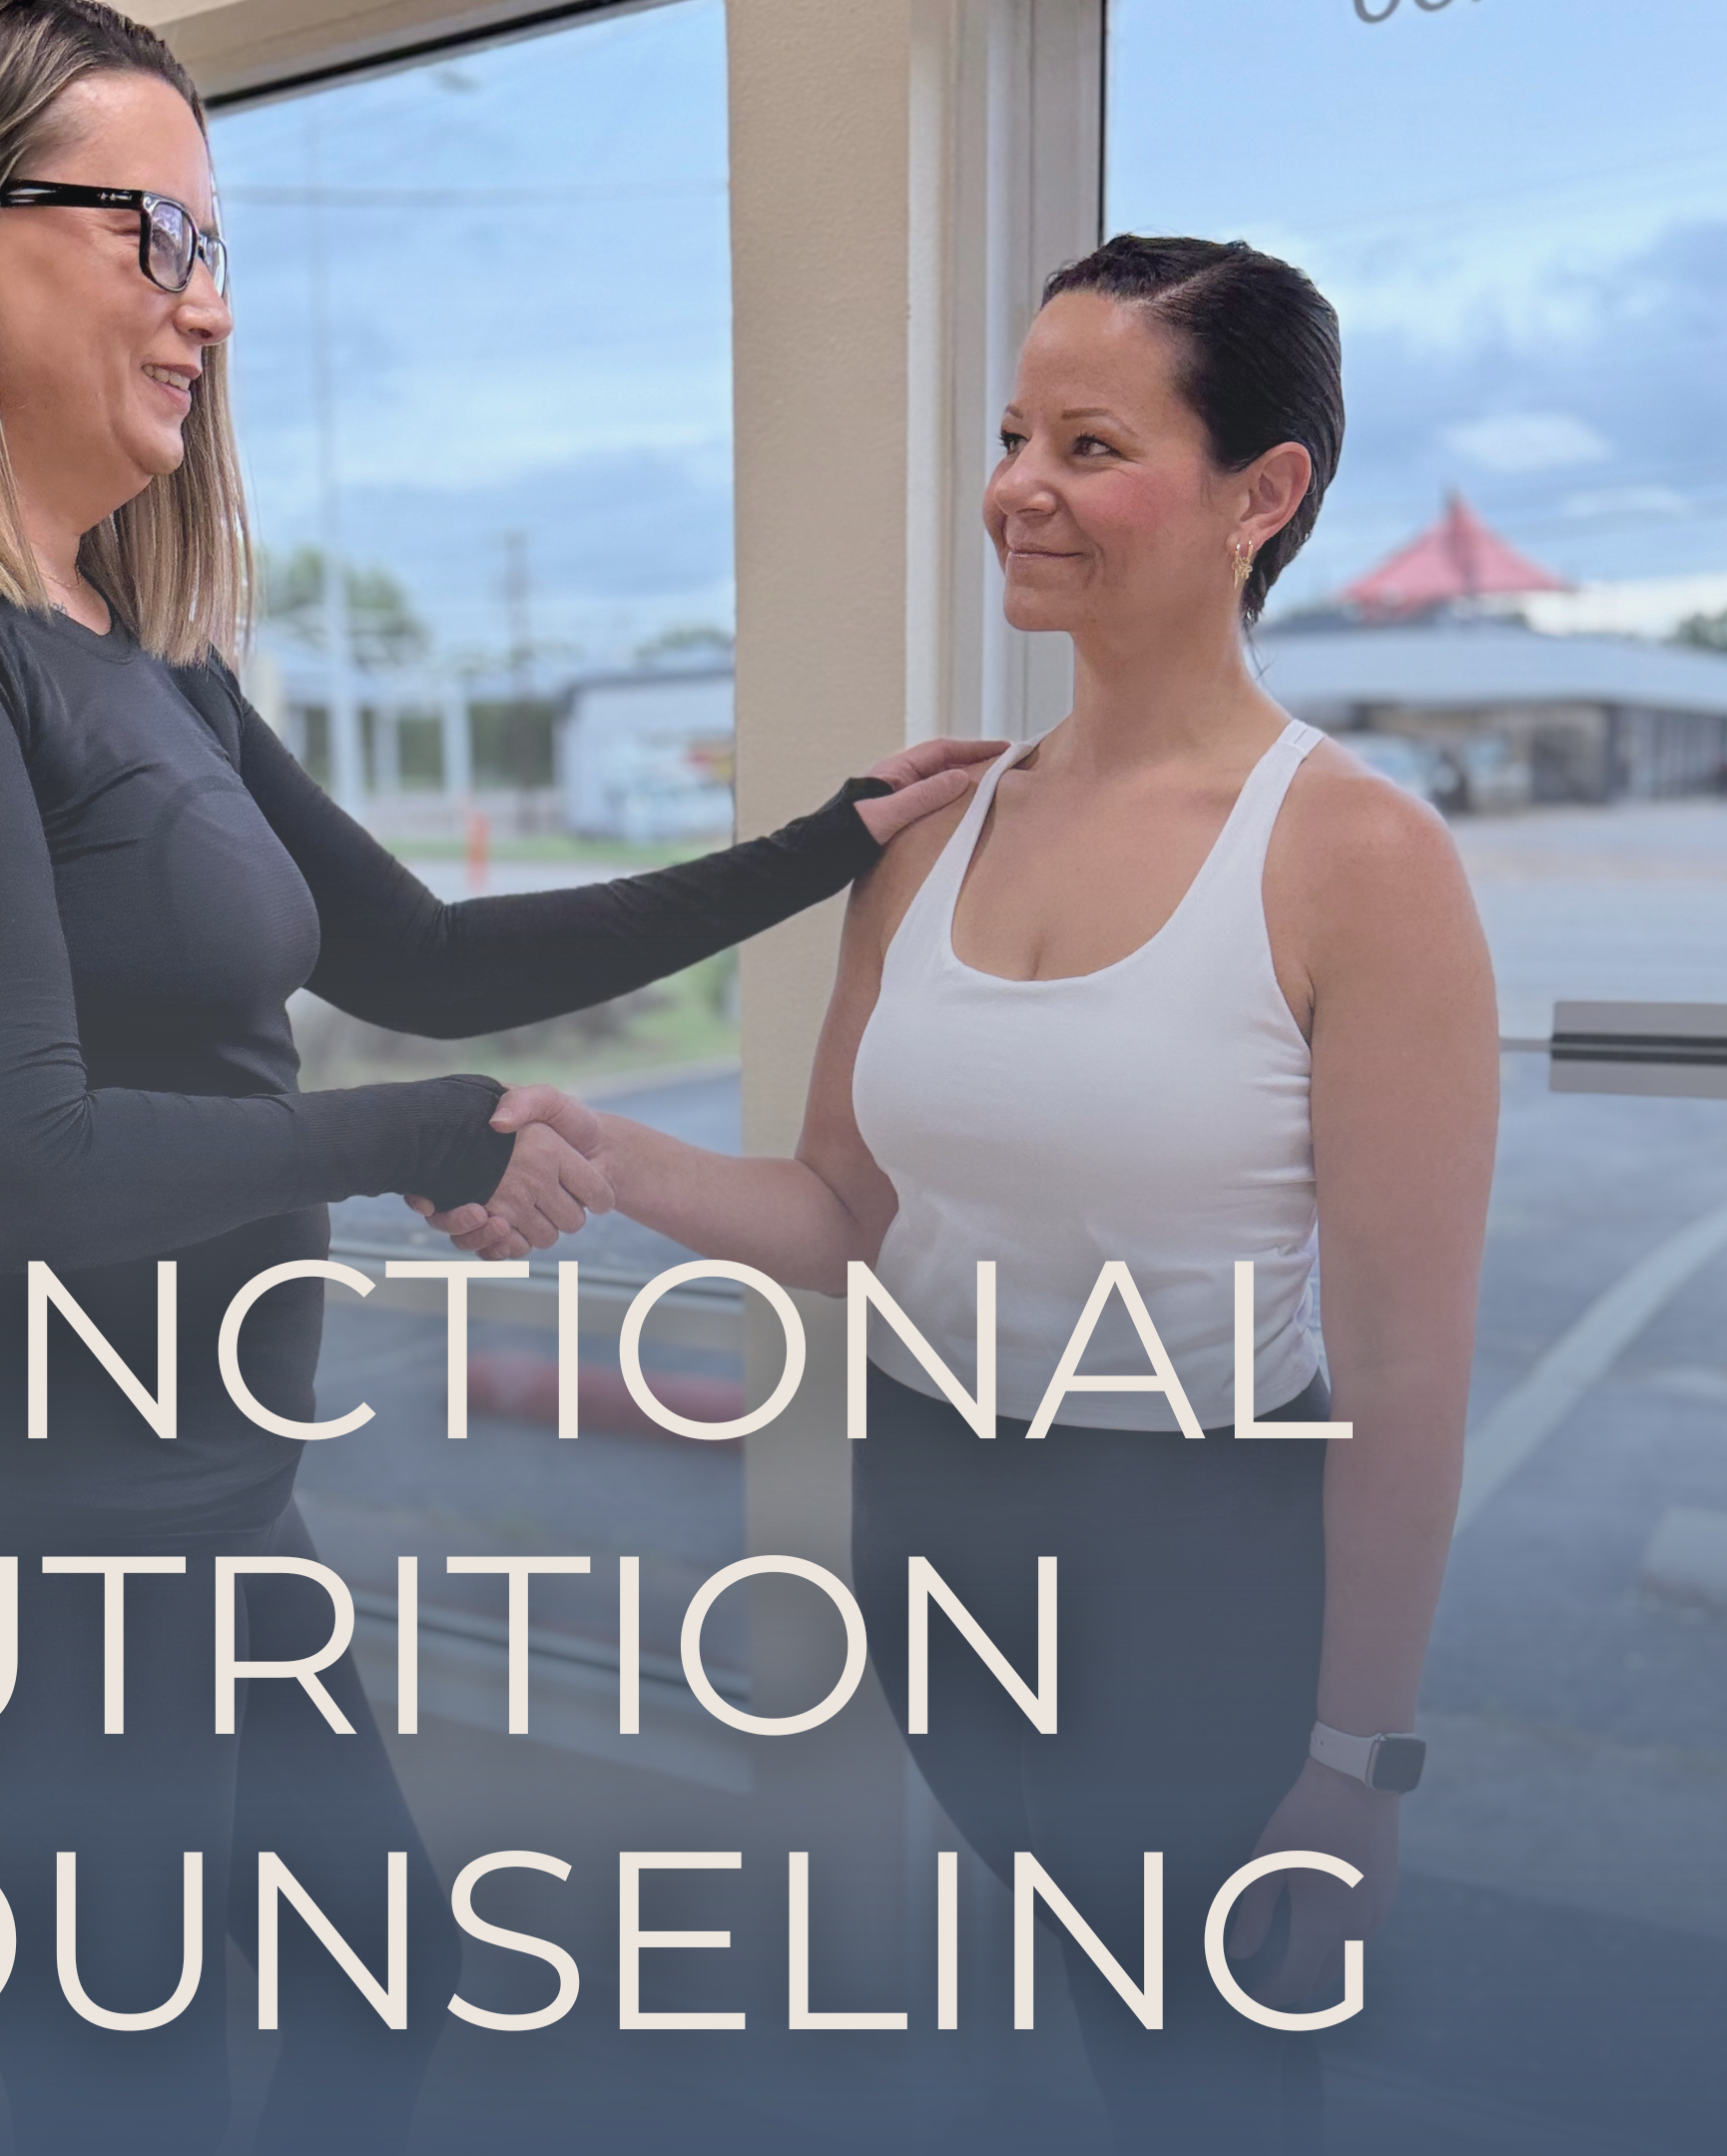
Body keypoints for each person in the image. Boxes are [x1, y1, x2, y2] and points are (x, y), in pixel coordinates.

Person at [0, 4, 994, 2149]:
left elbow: (423, 956)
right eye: (148, 232)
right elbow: (1, 1167)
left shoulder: (144, 642)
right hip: (29, 1557)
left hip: (219, 1514)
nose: (204, 300)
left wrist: (830, 841)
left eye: (216, 242)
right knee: (132, 2099)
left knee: (374, 2012)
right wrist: (425, 1140)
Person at [423, 235, 1500, 2154]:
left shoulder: (1358, 858)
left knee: (1209, 2078)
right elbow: (849, 1215)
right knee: (1093, 2021)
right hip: (937, 1538)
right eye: (1015, 432)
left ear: (1266, 495)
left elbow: (1409, 1368)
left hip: (1197, 1571)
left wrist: (1358, 1762)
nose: (1019, 484)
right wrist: (604, 1145)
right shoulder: (931, 834)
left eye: (1092, 443)